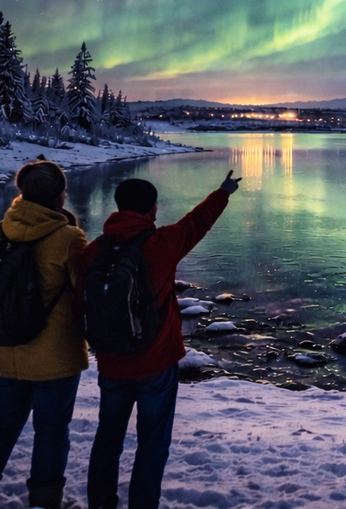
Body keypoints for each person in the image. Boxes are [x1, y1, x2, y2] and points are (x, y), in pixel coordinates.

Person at [77, 170, 242, 509]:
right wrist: (223, 191)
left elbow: (82, 302)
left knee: (107, 439)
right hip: (155, 362)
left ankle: (101, 503)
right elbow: (198, 221)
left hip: (111, 362)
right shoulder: (163, 243)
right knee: (152, 443)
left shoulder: (94, 251)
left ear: (118, 206)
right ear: (152, 209)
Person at [0, 160, 88, 509]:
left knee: (2, 421)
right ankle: (45, 500)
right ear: (60, 195)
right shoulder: (68, 237)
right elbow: (83, 293)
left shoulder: (2, 229)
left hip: (6, 346)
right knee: (51, 430)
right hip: (54, 355)